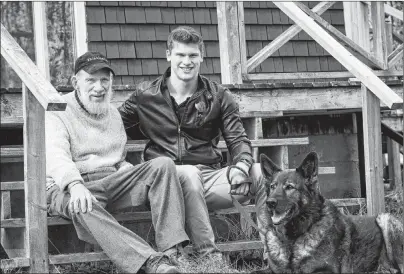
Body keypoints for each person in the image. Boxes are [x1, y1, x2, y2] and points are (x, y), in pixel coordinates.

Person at [118, 26, 268, 259]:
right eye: (180, 55)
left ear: (202, 57)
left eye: (192, 55)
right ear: (168, 55)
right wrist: (117, 163)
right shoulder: (145, 96)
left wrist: (242, 165)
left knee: (261, 174)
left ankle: (276, 252)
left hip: (206, 177)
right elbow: (111, 128)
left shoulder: (218, 96)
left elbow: (238, 139)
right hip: (162, 184)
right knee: (187, 173)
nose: (186, 62)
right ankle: (208, 256)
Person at [45, 51, 190, 273]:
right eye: (91, 80)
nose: (99, 87)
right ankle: (151, 262)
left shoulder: (112, 113)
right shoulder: (58, 110)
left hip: (110, 181)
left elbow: (118, 158)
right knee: (83, 204)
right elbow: (56, 156)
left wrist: (128, 171)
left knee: (163, 165)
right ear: (76, 82)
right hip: (67, 185)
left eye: (104, 80)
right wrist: (75, 186)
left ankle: (172, 251)